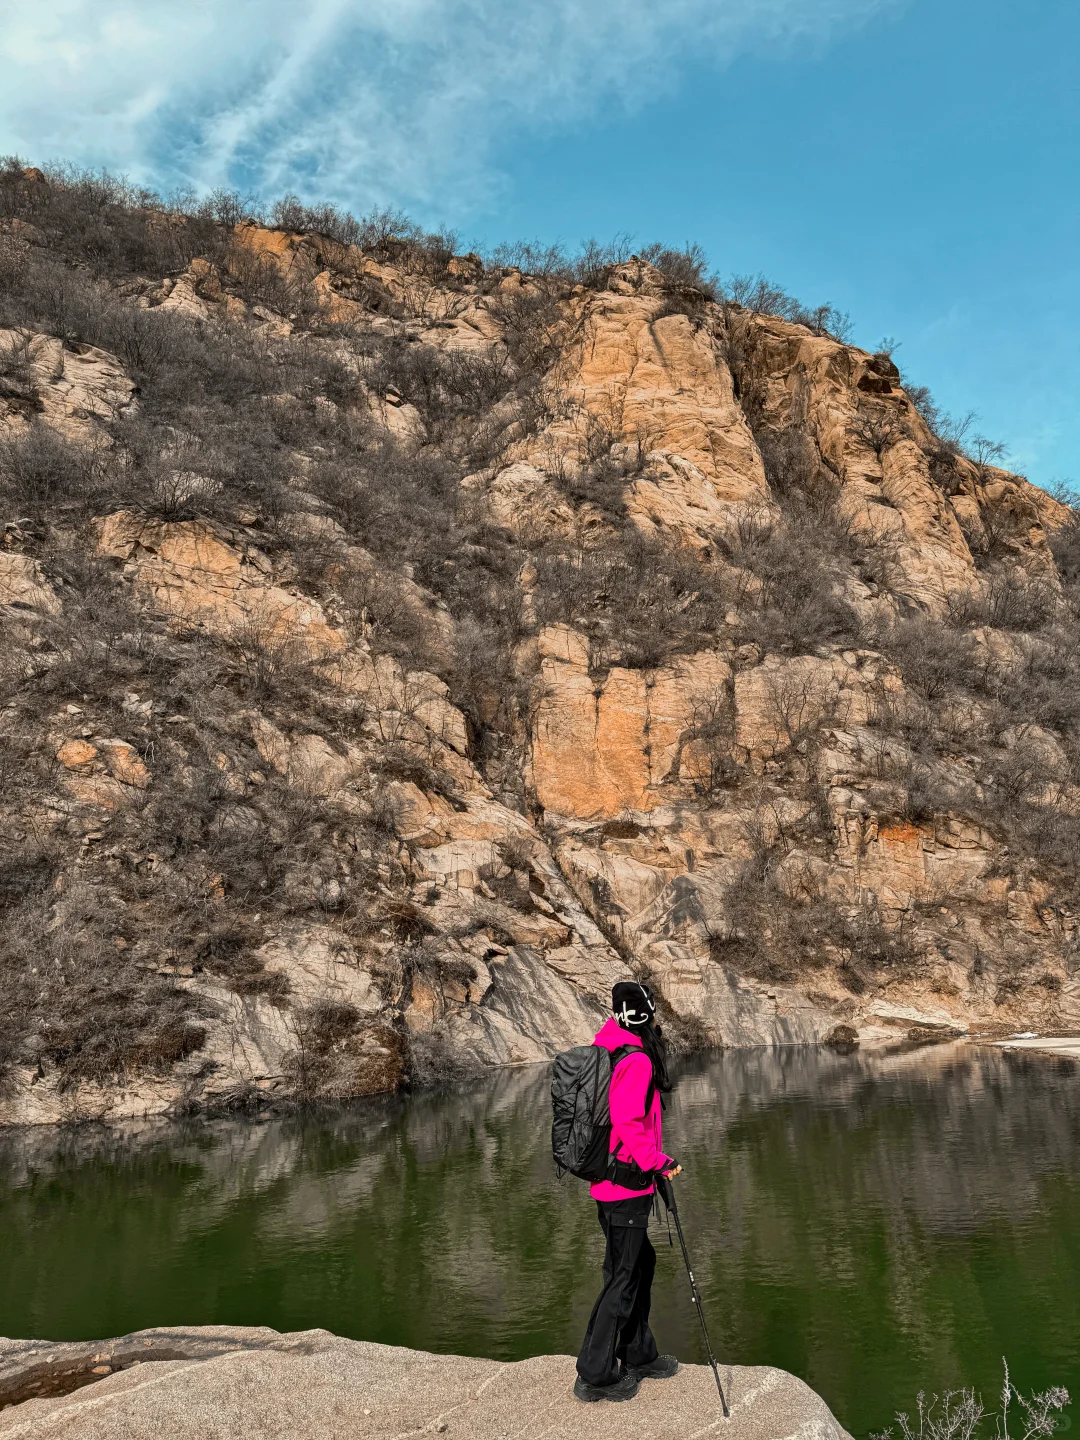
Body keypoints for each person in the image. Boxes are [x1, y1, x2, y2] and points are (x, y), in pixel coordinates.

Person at [574, 980, 682, 1403]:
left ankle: (638, 1353)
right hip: (624, 1186)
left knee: (638, 1265)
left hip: (610, 1183)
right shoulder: (635, 1060)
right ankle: (595, 1374)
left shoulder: (609, 1046)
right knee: (622, 1277)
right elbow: (627, 1122)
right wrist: (659, 1162)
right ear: (645, 1015)